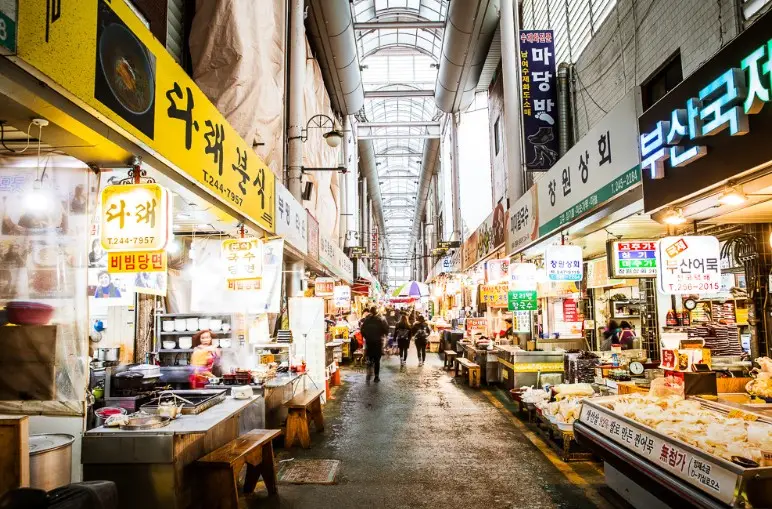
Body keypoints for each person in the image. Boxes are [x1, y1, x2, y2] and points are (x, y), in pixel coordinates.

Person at [360, 306, 388, 382]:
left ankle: (369, 373)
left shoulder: (367, 320)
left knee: (369, 357)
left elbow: (362, 330)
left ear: (371, 312)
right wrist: (381, 335)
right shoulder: (380, 320)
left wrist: (366, 337)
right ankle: (376, 376)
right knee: (377, 360)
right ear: (376, 312)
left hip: (369, 342)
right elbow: (386, 330)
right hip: (378, 342)